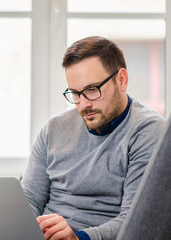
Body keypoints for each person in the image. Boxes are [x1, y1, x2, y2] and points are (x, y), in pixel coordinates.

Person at [20, 36, 166, 240]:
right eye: (75, 93)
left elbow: (135, 222)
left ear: (121, 80)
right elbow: (30, 199)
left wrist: (78, 237)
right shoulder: (53, 129)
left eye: (92, 90)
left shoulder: (148, 132)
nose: (83, 104)